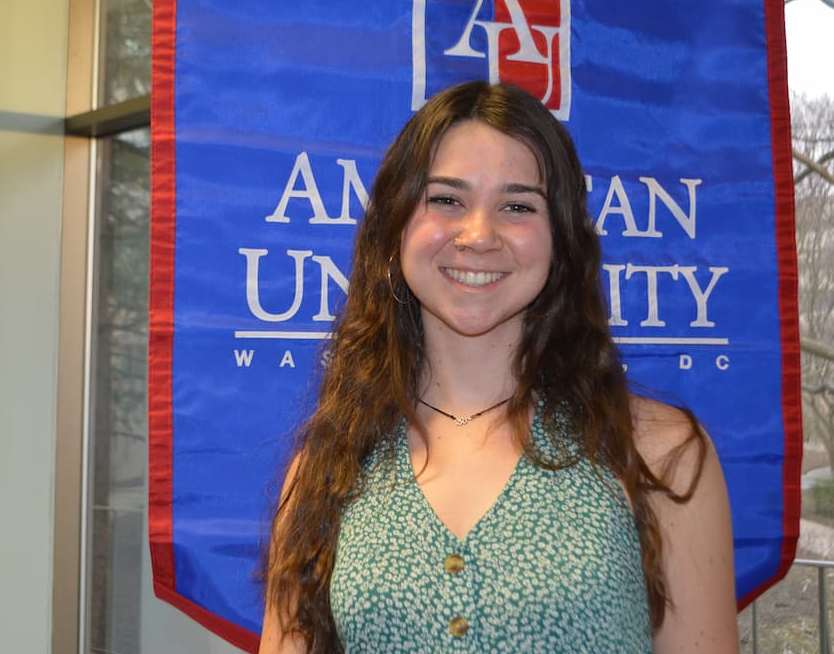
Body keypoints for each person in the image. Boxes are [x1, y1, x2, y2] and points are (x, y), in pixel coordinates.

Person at [259, 81, 737, 653]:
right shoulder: (325, 469)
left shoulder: (661, 454)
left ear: (561, 239)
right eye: (446, 199)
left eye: (517, 206)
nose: (479, 235)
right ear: (396, 227)